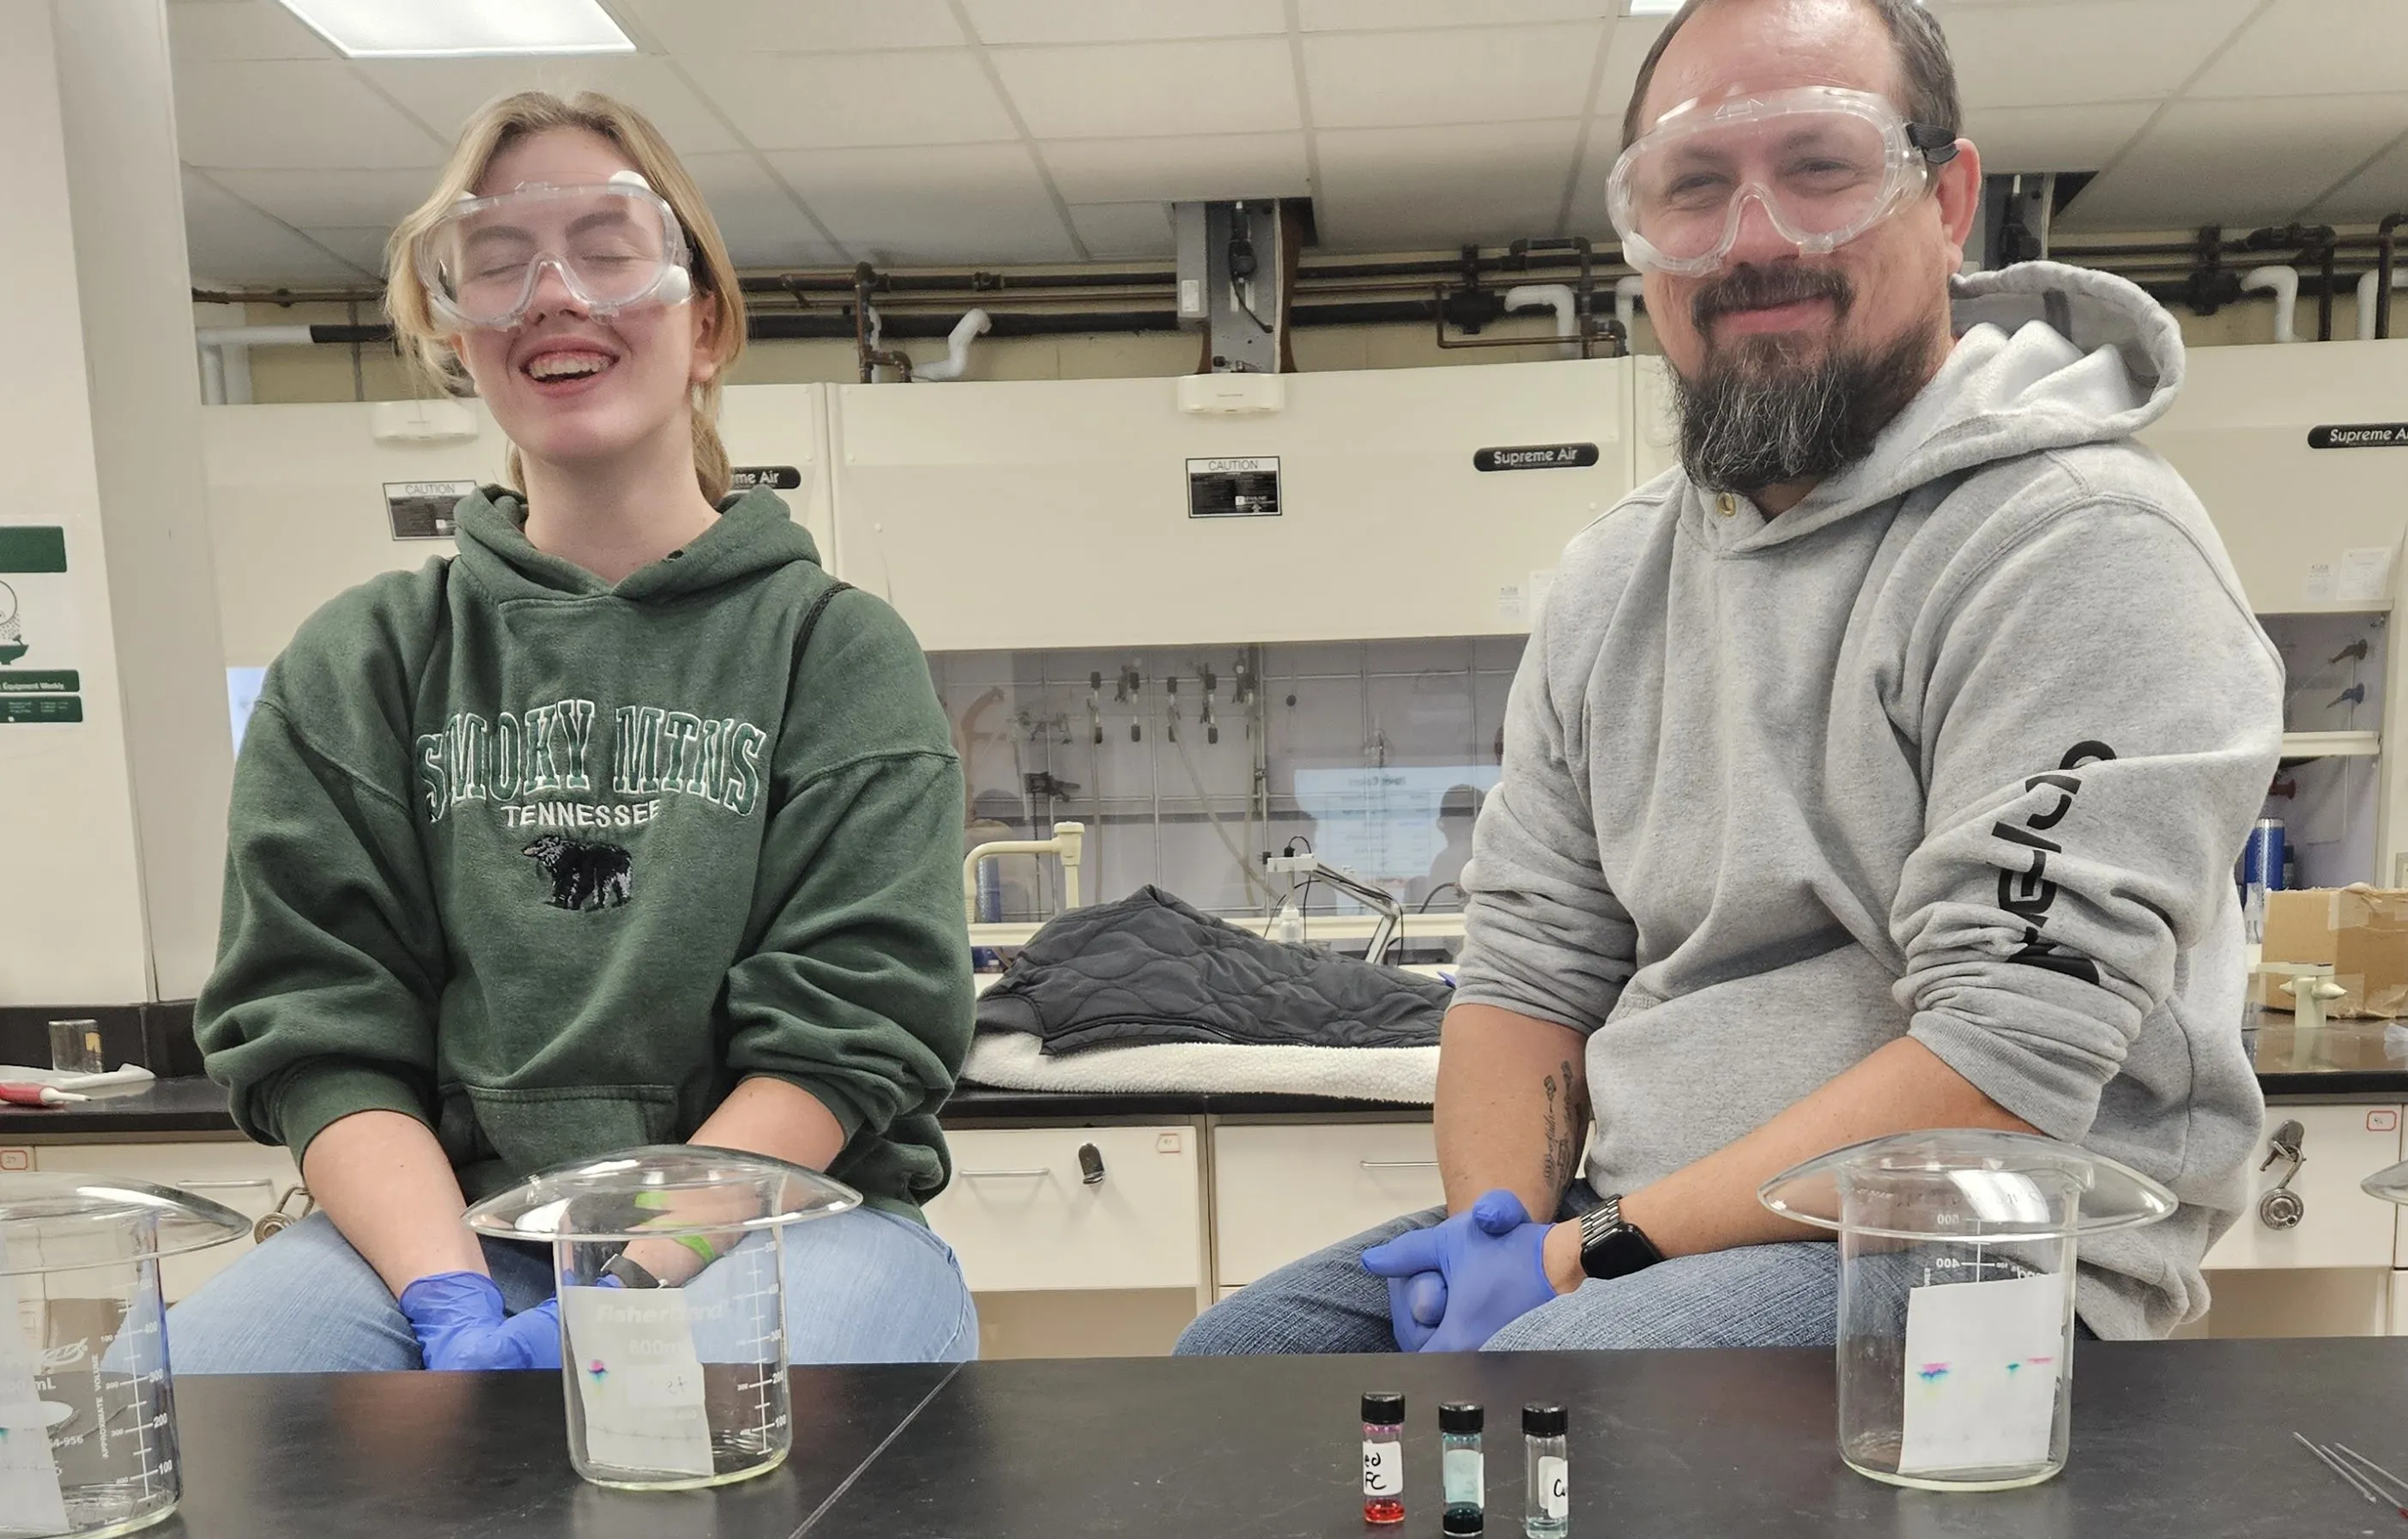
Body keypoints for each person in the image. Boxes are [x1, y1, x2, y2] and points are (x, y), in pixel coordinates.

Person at [1178, 0, 2282, 1357]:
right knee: (1234, 1370)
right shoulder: (1612, 579)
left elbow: (2006, 1059)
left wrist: (1584, 1261)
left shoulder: (2079, 542)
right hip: (1643, 1216)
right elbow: (1527, 971)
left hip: (1976, 1241)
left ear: (1945, 201)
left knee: (1548, 1401)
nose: (1755, 236)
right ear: (1640, 240)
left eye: (1819, 166)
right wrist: (1502, 1246)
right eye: (1692, 186)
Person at [173, 91, 978, 1372]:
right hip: (439, 1227)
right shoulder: (364, 659)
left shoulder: (831, 651)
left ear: (704, 322)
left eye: (607, 250)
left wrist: (631, 1285)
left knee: (695, 1432)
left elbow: (852, 1029)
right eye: (496, 265)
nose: (552, 294)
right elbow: (319, 1024)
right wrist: (447, 1297)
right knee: (194, 1422)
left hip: (774, 1225)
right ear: (457, 331)